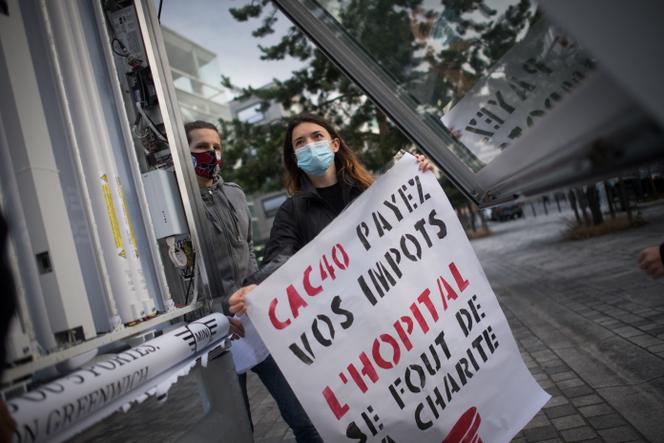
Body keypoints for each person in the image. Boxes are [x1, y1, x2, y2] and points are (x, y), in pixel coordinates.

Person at [185, 121, 321, 443]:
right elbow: (180, 280)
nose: (212, 154)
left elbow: (250, 255)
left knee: (302, 418)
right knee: (238, 430)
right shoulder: (179, 207)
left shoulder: (235, 194)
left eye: (217, 147)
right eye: (202, 147)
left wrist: (261, 293)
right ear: (184, 153)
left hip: (256, 321)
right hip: (215, 333)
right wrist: (216, 314)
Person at [229, 112, 432, 315]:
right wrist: (257, 287)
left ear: (334, 145)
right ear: (296, 157)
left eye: (317, 136)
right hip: (348, 314)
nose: (310, 145)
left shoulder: (369, 190)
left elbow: (410, 225)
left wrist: (419, 175)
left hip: (394, 300)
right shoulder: (292, 211)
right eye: (300, 142)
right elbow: (281, 258)